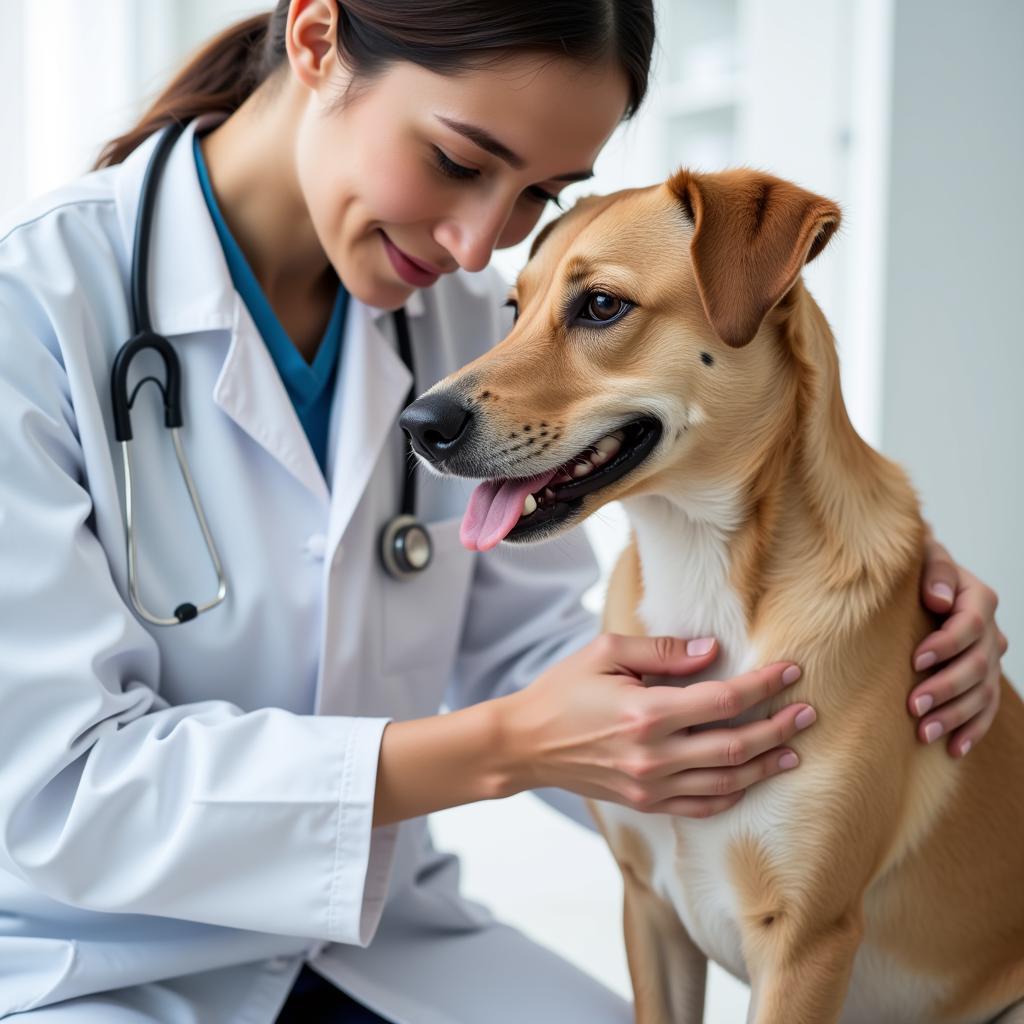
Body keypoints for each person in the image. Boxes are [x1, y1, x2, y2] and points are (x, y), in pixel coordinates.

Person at [0, 2, 1008, 1021]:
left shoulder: (459, 306)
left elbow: (531, 650)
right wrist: (500, 746)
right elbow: (58, 793)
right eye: (455, 159)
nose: (479, 240)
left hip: (374, 938)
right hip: (93, 962)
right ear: (314, 40)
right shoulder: (32, 311)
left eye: (540, 192)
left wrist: (870, 672)